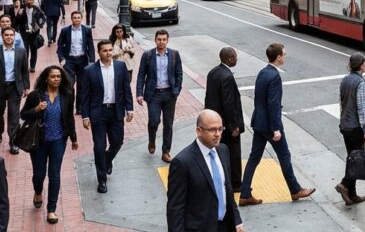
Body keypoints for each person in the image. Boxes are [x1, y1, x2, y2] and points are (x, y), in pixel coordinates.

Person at [238, 44, 315, 206]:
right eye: (284, 55)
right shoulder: (274, 76)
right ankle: (295, 190)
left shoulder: (262, 72)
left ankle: (245, 193)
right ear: (278, 57)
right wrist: (276, 129)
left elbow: (259, 98)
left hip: (258, 123)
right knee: (285, 155)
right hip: (269, 125)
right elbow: (273, 104)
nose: (285, 57)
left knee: (254, 158)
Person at [166, 110, 245, 232]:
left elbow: (227, 190)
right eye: (212, 130)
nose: (218, 134)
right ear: (199, 131)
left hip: (225, 226)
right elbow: (175, 209)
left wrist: (237, 220)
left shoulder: (223, 151)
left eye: (220, 129)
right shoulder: (182, 162)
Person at [20, 66, 79, 224]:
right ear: (46, 78)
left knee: (55, 174)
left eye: (59, 77)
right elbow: (23, 114)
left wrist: (73, 138)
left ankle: (51, 209)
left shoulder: (67, 95)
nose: (56, 79)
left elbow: (69, 117)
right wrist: (36, 109)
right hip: (39, 141)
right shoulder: (36, 96)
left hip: (59, 140)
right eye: (53, 77)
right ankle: (38, 191)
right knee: (39, 174)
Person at [77, 39, 133, 193]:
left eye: (110, 50)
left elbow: (126, 89)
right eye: (105, 51)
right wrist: (85, 116)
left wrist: (130, 108)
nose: (108, 53)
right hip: (98, 113)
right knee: (99, 147)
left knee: (117, 142)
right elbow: (84, 96)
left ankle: (107, 160)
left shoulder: (121, 67)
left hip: (116, 111)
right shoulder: (89, 70)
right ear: (99, 52)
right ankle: (102, 180)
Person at [137, 29, 183, 163]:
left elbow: (179, 74)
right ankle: (152, 141)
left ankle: (166, 151)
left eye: (164, 39)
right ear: (155, 40)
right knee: (154, 121)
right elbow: (141, 75)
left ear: (167, 40)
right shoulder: (148, 55)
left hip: (169, 94)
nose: (161, 42)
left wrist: (176, 90)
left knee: (168, 124)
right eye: (159, 39)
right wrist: (139, 93)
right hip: (154, 95)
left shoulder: (174, 54)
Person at [205, 47, 245, 192]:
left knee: (217, 153)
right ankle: (235, 184)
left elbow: (209, 97)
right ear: (230, 59)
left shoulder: (213, 72)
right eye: (235, 57)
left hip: (214, 122)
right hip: (227, 125)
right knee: (233, 155)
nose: (237, 59)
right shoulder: (227, 76)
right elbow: (229, 104)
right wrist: (234, 125)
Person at [0, 28, 30, 155]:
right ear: (2, 37)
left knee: (14, 114)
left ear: (14, 37)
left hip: (14, 87)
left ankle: (13, 141)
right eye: (7, 35)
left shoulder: (21, 52)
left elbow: (24, 71)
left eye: (11, 35)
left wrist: (26, 86)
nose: (9, 37)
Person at [335, 53, 365, 206]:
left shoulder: (345, 79)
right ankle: (344, 184)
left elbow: (343, 102)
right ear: (361, 65)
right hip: (356, 127)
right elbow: (361, 109)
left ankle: (352, 194)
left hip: (345, 125)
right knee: (357, 160)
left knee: (352, 157)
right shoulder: (361, 83)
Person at [58, 10, 96, 94]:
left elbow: (90, 46)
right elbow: (59, 46)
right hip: (69, 61)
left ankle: (80, 107)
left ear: (81, 19)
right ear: (71, 19)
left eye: (78, 18)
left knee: (82, 86)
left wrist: (92, 61)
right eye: (74, 18)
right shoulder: (65, 31)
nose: (77, 19)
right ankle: (70, 106)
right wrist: (62, 59)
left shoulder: (87, 30)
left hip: (82, 60)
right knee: (69, 84)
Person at [15, 0, 46, 73]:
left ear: (34, 1)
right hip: (24, 33)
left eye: (32, 0)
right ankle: (25, 67)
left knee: (34, 49)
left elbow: (43, 17)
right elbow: (16, 22)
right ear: (25, 1)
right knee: (25, 50)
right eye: (28, 0)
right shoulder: (22, 10)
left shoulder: (37, 9)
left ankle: (32, 67)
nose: (30, 2)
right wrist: (19, 14)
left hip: (34, 33)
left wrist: (40, 25)